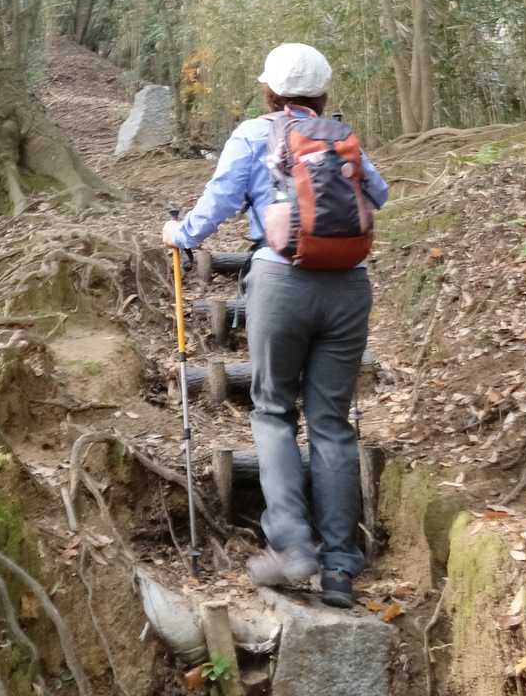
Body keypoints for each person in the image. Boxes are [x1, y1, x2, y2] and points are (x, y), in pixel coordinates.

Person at [161, 42, 389, 609]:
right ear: (322, 94)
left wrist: (179, 235)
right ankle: (340, 566)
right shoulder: (341, 137)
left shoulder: (253, 134)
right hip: (349, 287)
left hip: (280, 282)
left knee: (272, 412)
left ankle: (291, 547)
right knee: (331, 423)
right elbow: (379, 194)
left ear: (269, 90)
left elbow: (219, 202)